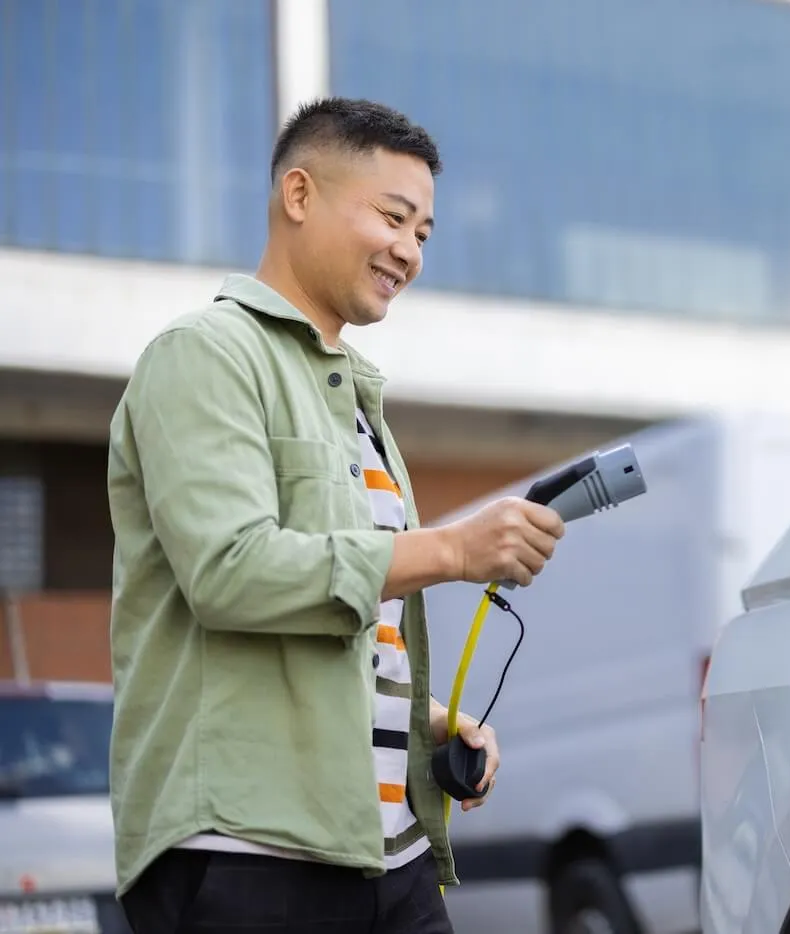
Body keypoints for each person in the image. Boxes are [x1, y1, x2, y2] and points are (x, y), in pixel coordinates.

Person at [106, 97, 567, 933]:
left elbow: (340, 627)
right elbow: (231, 574)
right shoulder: (203, 354)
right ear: (299, 194)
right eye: (393, 217)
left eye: (424, 232)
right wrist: (454, 550)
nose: (408, 250)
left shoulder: (357, 401)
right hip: (248, 853)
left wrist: (423, 718)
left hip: (392, 856)